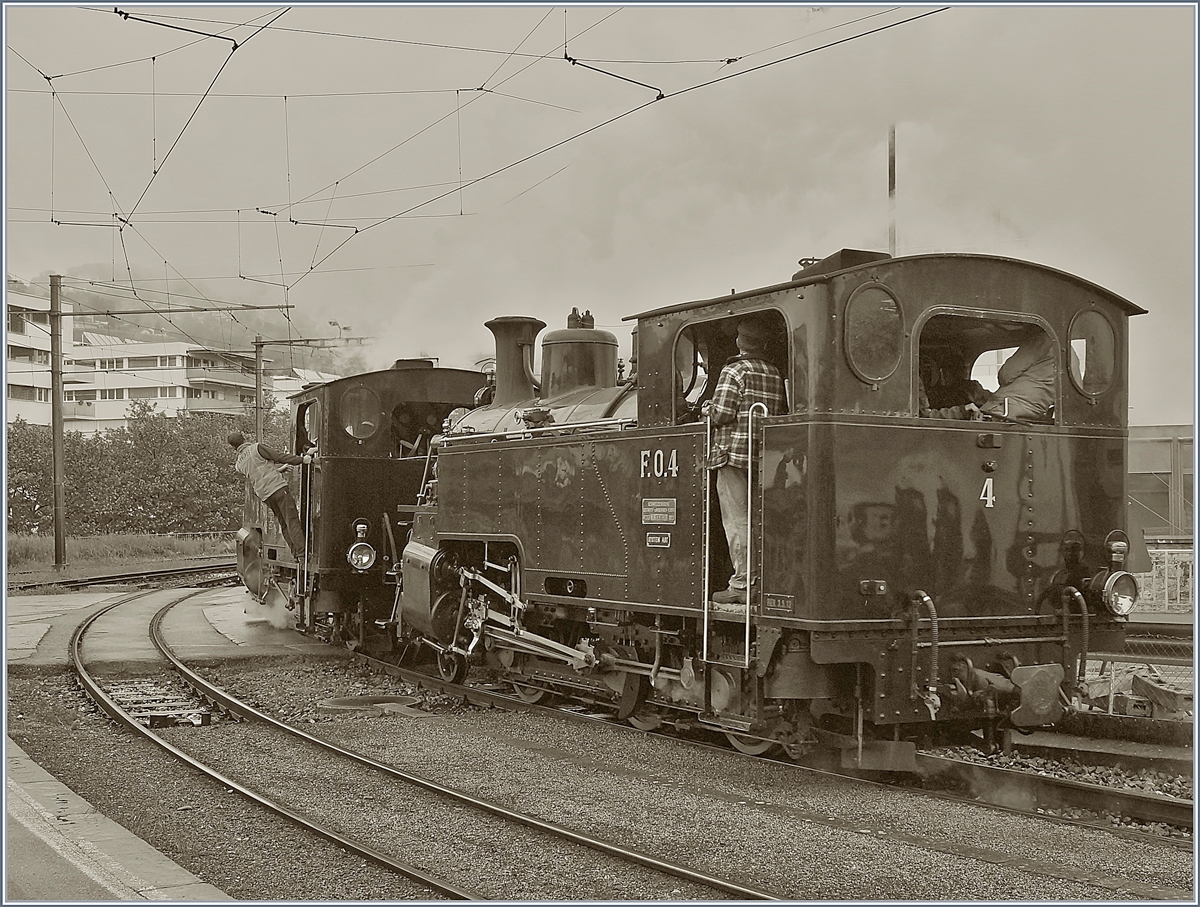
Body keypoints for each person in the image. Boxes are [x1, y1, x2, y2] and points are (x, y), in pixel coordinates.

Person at [701, 318, 788, 604]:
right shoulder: (774, 373)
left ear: (740, 342)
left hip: (733, 454)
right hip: (764, 456)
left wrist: (706, 408)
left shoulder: (735, 370)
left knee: (737, 521)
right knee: (758, 520)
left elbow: (723, 412)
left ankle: (741, 584)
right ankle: (762, 579)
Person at [228, 431, 311, 560]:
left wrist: (279, 470)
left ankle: (296, 554)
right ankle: (303, 553)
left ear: (233, 447)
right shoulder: (257, 448)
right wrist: (302, 460)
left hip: (266, 496)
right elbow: (279, 456)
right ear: (245, 439)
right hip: (278, 488)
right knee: (292, 520)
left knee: (283, 523)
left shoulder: (239, 465)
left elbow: (257, 473)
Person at [979, 334, 1055, 422]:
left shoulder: (1043, 340)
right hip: (1036, 413)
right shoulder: (1070, 355)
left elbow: (1006, 374)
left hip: (1006, 410)